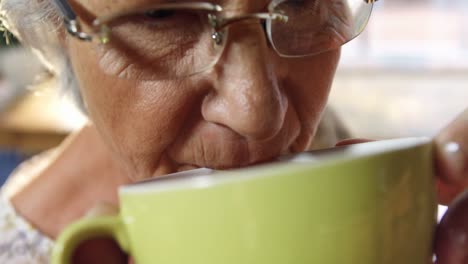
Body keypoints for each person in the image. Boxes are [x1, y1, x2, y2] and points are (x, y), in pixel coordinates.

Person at [0, 0, 466, 263]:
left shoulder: (336, 137)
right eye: (162, 15)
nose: (258, 114)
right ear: (54, 26)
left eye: (301, 1)